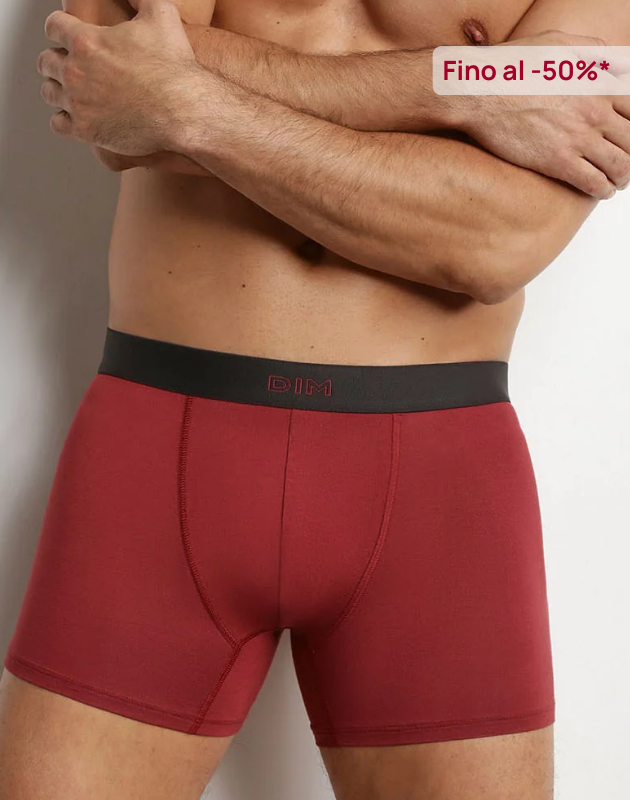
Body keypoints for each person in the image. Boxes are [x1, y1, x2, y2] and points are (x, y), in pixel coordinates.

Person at [0, 0, 628, 797]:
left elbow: (495, 241)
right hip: (161, 461)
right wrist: (461, 88)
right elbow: (110, 81)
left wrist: (190, 105)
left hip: (437, 496)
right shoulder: (478, 81)